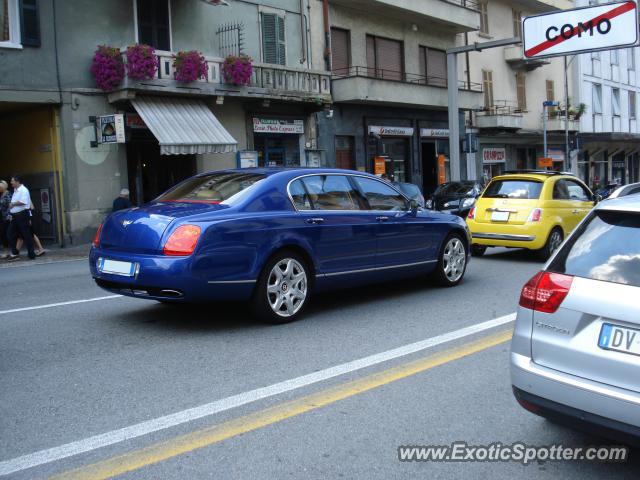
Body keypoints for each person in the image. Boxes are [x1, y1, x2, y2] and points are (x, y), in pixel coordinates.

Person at [7, 175, 36, 261]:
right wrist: (11, 211)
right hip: (15, 216)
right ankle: (15, 252)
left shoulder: (23, 190)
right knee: (9, 234)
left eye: (12, 181)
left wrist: (13, 204)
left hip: (22, 215)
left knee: (26, 235)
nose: (11, 183)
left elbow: (23, 202)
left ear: (17, 181)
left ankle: (31, 254)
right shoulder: (15, 190)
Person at [0, 180, 10, 259]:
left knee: (6, 234)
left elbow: (10, 206)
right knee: (3, 234)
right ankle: (6, 251)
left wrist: (8, 215)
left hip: (6, 218)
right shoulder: (1, 194)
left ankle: (8, 252)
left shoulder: (7, 194)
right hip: (2, 217)